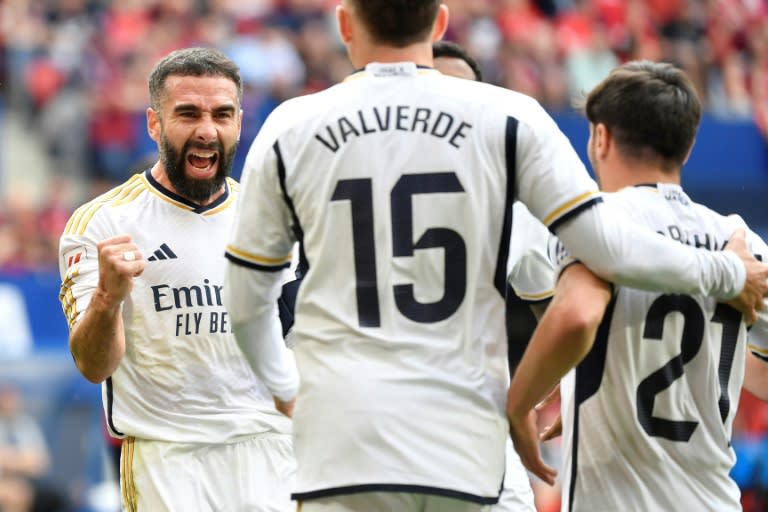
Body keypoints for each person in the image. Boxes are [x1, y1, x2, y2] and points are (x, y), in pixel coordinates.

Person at [223, 2, 767, 511]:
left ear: (344, 25)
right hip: (463, 445)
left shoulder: (290, 126)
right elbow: (607, 245)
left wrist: (287, 389)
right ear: (439, 24)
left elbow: (247, 302)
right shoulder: (509, 116)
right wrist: (723, 270)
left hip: (342, 441)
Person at [506, 60, 768, 511]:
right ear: (686, 150)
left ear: (600, 138)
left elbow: (575, 317)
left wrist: (519, 404)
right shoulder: (742, 243)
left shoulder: (589, 229)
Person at [58, 47, 297, 511]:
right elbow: (93, 366)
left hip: (270, 448)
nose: (207, 129)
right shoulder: (103, 223)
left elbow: (299, 341)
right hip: (169, 456)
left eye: (221, 114)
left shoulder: (275, 218)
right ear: (153, 123)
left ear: (238, 122)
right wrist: (108, 297)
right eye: (187, 113)